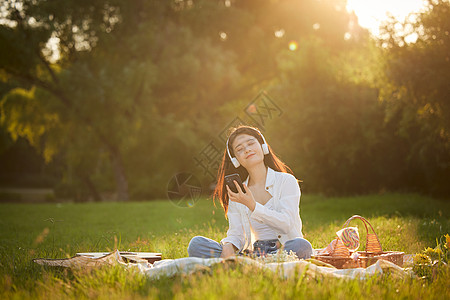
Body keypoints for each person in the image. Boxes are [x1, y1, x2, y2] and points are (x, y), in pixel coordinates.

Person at [188, 125, 313, 259]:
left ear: (263, 146)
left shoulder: (286, 181)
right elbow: (236, 235)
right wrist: (227, 252)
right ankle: (258, 264)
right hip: (254, 252)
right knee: (197, 244)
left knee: (301, 246)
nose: (247, 149)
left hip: (284, 248)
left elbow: (286, 224)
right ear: (236, 160)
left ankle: (253, 265)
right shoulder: (238, 191)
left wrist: (252, 205)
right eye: (240, 149)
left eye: (251, 143)